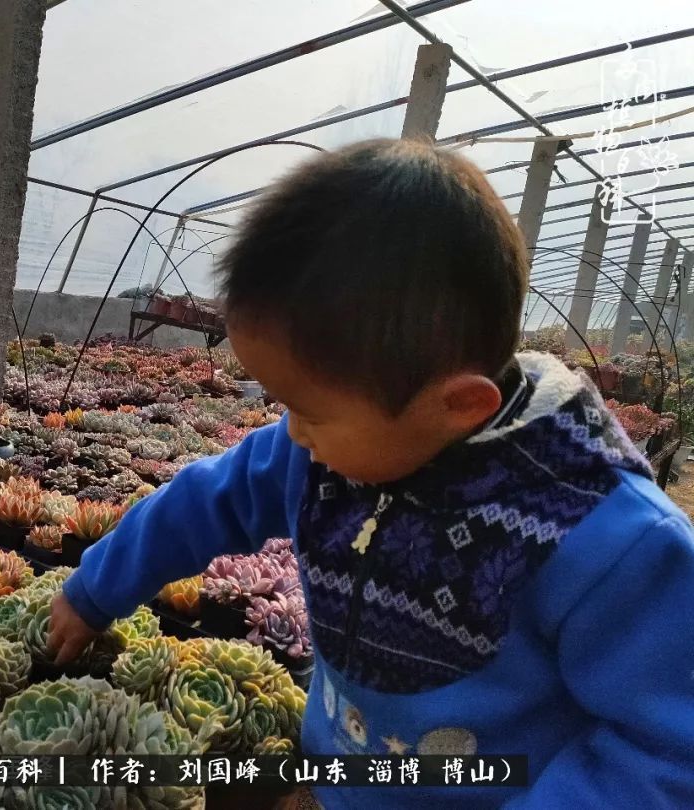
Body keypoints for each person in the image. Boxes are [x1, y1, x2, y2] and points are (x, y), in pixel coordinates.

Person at [47, 138, 694, 807]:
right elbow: (208, 498)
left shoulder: (608, 539)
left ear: (459, 406)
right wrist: (98, 587)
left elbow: (669, 750)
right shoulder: (321, 453)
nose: (290, 434)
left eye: (309, 411)